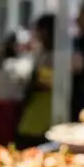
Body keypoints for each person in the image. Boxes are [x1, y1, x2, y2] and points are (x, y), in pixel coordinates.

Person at [17, 13, 54, 147]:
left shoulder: (55, 55)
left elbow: (46, 82)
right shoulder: (42, 52)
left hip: (44, 109)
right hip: (37, 108)